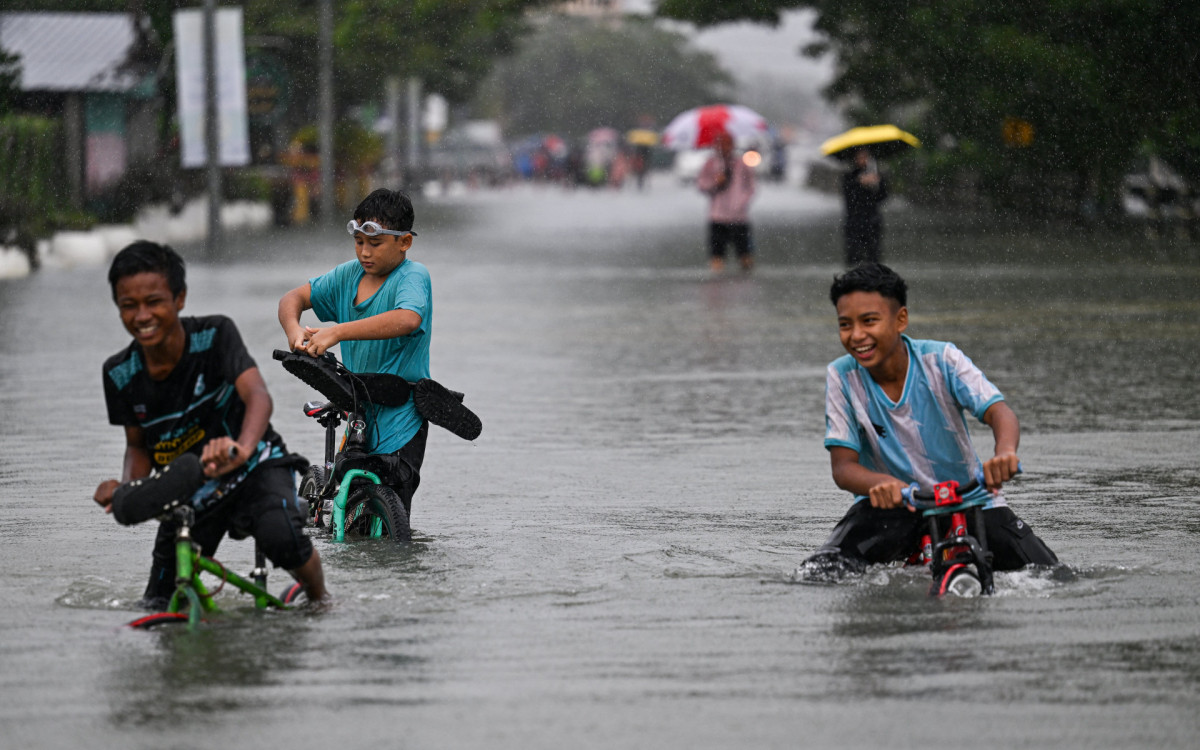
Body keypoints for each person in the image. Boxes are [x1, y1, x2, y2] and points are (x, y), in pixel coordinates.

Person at [94, 241, 327, 608]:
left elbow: (258, 397)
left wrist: (241, 448)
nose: (142, 316)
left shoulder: (216, 335)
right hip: (191, 484)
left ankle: (320, 598)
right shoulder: (118, 373)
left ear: (179, 298)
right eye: (129, 306)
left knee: (282, 539)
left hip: (256, 464)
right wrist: (128, 490)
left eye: (153, 302)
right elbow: (137, 445)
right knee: (157, 604)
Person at [803, 262, 1058, 574]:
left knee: (1053, 576)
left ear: (901, 320)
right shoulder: (841, 376)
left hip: (972, 501)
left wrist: (1004, 453)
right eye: (845, 325)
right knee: (821, 571)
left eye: (869, 321)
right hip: (895, 507)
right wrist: (882, 483)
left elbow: (999, 412)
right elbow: (843, 468)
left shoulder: (942, 360)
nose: (857, 336)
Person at [277, 188, 430, 518]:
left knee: (393, 513)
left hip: (402, 414)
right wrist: (294, 329)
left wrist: (336, 330)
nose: (365, 252)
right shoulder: (348, 274)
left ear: (404, 242)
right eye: (359, 242)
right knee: (348, 510)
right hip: (361, 408)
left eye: (375, 244)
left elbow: (407, 318)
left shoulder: (413, 276)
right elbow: (293, 299)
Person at [696, 131, 757, 273]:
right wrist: (715, 182)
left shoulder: (741, 163)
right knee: (717, 256)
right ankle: (718, 287)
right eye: (721, 143)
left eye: (727, 143)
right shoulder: (710, 164)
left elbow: (751, 187)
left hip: (739, 217)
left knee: (745, 255)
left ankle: (745, 280)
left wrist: (742, 202)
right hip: (717, 216)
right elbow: (701, 185)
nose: (724, 147)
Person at [842, 147, 888, 266]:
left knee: (874, 256)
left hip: (872, 221)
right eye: (860, 157)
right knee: (854, 256)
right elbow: (848, 198)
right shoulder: (849, 176)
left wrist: (875, 184)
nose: (862, 159)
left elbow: (883, 197)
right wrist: (859, 183)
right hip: (854, 222)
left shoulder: (876, 174)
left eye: (865, 156)